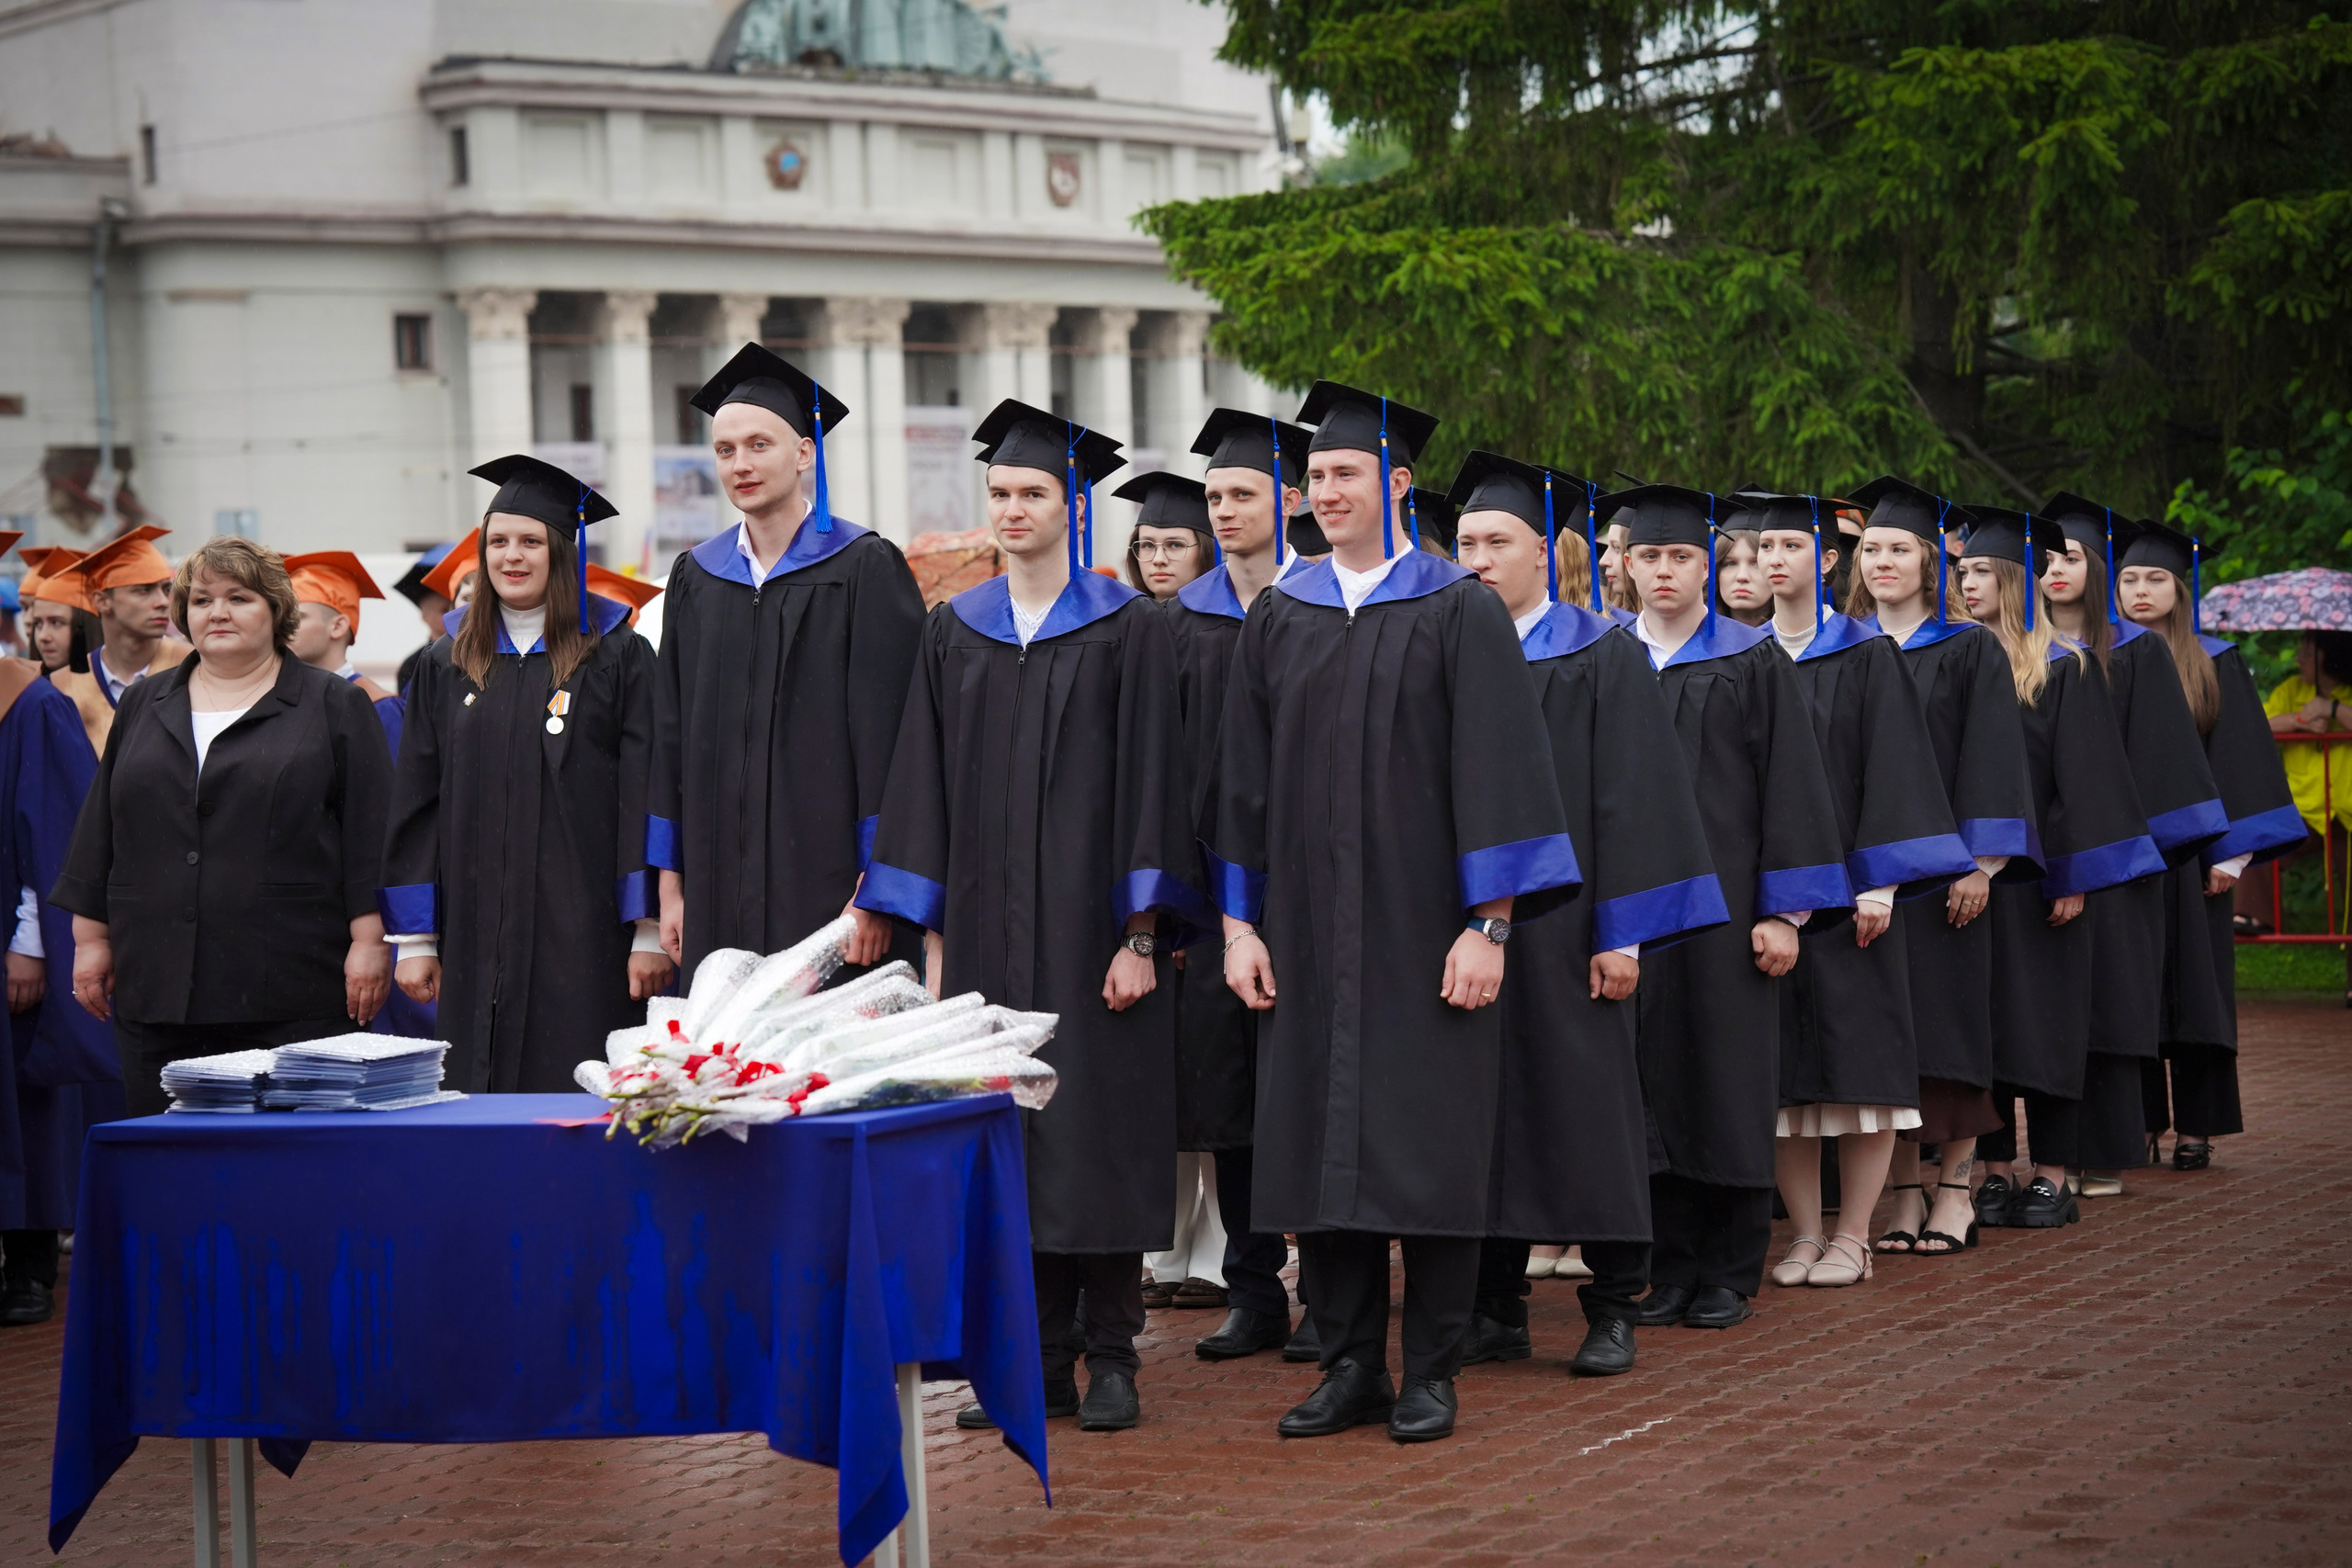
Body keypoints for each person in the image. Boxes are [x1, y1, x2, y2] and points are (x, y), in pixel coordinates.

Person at [1212, 382, 1579, 1444]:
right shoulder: (1281, 613)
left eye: (1345, 475)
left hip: (1429, 931)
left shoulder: (1454, 606)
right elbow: (1241, 789)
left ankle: (1432, 1370)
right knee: (1316, 1154)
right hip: (1307, 937)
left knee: (1431, 1149)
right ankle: (1346, 1366)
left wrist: (1491, 925)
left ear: (1397, 485)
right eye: (1316, 477)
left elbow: (1502, 774)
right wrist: (1239, 926)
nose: (1325, 491)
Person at [857, 399, 1204, 1435]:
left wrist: (1141, 936)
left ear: (1072, 505)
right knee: (1009, 1137)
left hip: (1095, 939)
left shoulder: (1129, 628)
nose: (1012, 509)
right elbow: (920, 783)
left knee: (1095, 1136)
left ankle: (1110, 1355)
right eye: (999, 494)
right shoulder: (952, 632)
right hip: (986, 933)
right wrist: (929, 931)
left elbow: (1157, 784)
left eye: (1032, 494)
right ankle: (1035, 1358)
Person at [1445, 453, 1724, 1379]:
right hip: (1474, 929)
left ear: (1541, 550)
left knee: (1591, 1109)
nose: (1477, 559)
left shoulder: (1599, 651)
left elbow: (1638, 804)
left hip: (1575, 932)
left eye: (1496, 542)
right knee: (1481, 1113)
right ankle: (1494, 1306)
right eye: (1464, 543)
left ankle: (1612, 1304)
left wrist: (1623, 934)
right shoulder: (1446, 647)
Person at [1596, 482, 1848, 1332]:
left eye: (1681, 557)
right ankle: (1667, 1270)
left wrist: (1788, 911)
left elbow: (1794, 789)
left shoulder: (1750, 659)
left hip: (1732, 912)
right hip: (1634, 914)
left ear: (1709, 565)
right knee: (1646, 1086)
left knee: (1726, 1080)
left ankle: (1730, 1272)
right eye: (1649, 557)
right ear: (1626, 566)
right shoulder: (1605, 659)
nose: (1664, 571)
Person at [52, 537, 392, 1116]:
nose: (218, 612)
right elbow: (105, 824)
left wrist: (369, 942)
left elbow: (371, 833)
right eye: (202, 599)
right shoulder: (144, 702)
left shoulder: (333, 704)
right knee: (167, 1165)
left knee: (286, 1168)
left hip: (291, 984)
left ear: (276, 610)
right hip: (157, 983)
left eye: (239, 597)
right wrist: (92, 941)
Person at [1742, 492, 1973, 1288]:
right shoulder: (1745, 658)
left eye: (1789, 545)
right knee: (1786, 1084)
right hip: (1773, 896)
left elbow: (1897, 769)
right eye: (1762, 547)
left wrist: (1879, 881)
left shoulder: (1867, 653)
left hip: (1853, 898)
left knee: (1861, 1073)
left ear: (1826, 559)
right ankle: (1804, 1234)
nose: (1773, 559)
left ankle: (1855, 1236)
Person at [383, 457, 670, 1093]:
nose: (512, 556)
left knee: (575, 1089)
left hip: (587, 927)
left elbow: (644, 790)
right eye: (498, 542)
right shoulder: (447, 662)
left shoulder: (618, 655)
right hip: (474, 927)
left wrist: (647, 927)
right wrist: (416, 938)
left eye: (531, 541)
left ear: (563, 552)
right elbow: (417, 799)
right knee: (474, 1092)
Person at [652, 344, 927, 986]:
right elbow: (670, 738)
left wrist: (876, 890)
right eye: (725, 450)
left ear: (805, 452)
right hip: (716, 885)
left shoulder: (863, 567)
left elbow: (898, 745)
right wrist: (671, 885)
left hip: (831, 890)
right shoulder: (697, 576)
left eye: (759, 445)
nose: (740, 465)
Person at [1953, 507, 2162, 1230]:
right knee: (1984, 1027)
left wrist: (2072, 876)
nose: (1968, 581)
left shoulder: (2064, 668)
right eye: (1964, 569)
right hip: (1970, 880)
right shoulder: (1956, 659)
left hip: (2041, 882)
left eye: (1983, 570)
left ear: (2016, 580)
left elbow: (2088, 781)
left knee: (2046, 1027)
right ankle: (1991, 1170)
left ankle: (2050, 1172)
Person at [1843, 476, 2031, 1256]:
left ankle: (1956, 1189)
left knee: (1950, 1032)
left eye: (1899, 549)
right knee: (1889, 1041)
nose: (1883, 561)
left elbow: (1991, 758)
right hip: (1868, 881)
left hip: (1947, 877)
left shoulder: (1968, 649)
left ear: (1931, 564)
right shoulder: (1844, 647)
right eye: (1872, 549)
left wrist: (1981, 865)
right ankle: (1904, 1194)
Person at [1170, 409, 1312, 1362]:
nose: (1223, 511)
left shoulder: (1329, 608)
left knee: (1317, 1088)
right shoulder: (1183, 621)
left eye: (1242, 494)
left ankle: (1335, 1294)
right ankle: (1253, 1291)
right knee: (1226, 1099)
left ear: (1289, 501)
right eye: (1213, 496)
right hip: (1212, 890)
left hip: (1315, 889)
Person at [2040, 495, 2227, 1191]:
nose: (2058, 570)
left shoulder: (2137, 651)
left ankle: (2108, 1148)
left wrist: (2124, 848)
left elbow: (2162, 760)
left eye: (2075, 558)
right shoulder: (2018, 649)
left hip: (2117, 857)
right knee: (2053, 1005)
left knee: (2111, 1004)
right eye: (2048, 558)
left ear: (2099, 567)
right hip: (2047, 856)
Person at [2114, 516, 2303, 1166]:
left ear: (2181, 587)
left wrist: (2233, 851)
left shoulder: (2214, 659)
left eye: (2155, 578)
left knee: (2197, 989)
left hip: (2197, 855)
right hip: (2131, 853)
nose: (2140, 590)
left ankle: (2197, 1124)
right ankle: (2137, 1122)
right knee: (2131, 987)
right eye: (2129, 578)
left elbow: (2242, 758)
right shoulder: (2102, 657)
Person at [0, 532, 116, 1328]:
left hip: (12, 929)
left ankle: (29, 1261)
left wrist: (32, 938)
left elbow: (55, 830)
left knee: (22, 1095)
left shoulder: (27, 701)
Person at [284, 550, 437, 1041]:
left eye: (298, 614)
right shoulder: (276, 706)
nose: (282, 625)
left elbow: (389, 823)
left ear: (337, 626)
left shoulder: (380, 709)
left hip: (359, 911)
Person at [1120, 472, 1216, 600]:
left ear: (1205, 551)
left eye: (1175, 545)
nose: (1158, 560)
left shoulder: (1235, 618)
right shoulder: (1121, 618)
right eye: (1148, 545)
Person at [391, 542, 459, 696]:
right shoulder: (413, 665)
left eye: (457, 607)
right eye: (444, 610)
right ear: (424, 616)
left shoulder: (488, 654)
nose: (452, 614)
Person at [1713, 525, 1771, 626]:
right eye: (1730, 563)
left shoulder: (1801, 639)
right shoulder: (1695, 637)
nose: (1742, 576)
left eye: (1756, 564)